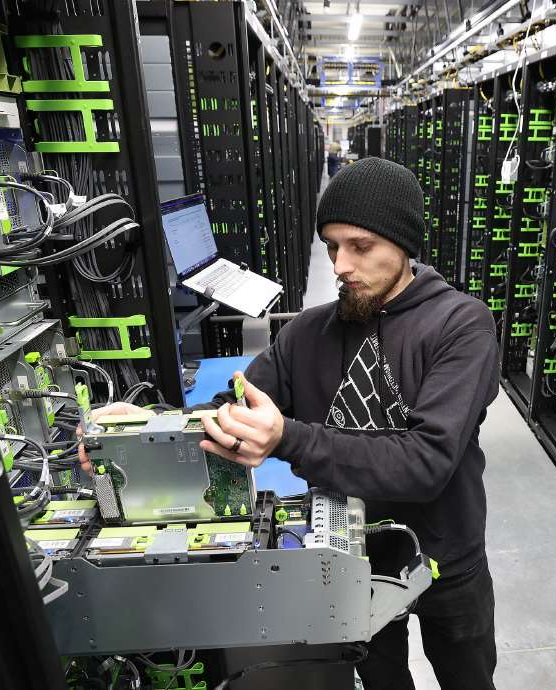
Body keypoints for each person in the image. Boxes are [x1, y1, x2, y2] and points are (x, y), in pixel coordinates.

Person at [200, 157, 500, 690]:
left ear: (404, 246)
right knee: (380, 680)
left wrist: (288, 437)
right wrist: (142, 427)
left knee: (467, 678)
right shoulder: (307, 334)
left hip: (444, 557)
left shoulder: (460, 326)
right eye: (333, 247)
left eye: (360, 247)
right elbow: (235, 406)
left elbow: (426, 462)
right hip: (348, 557)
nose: (340, 264)